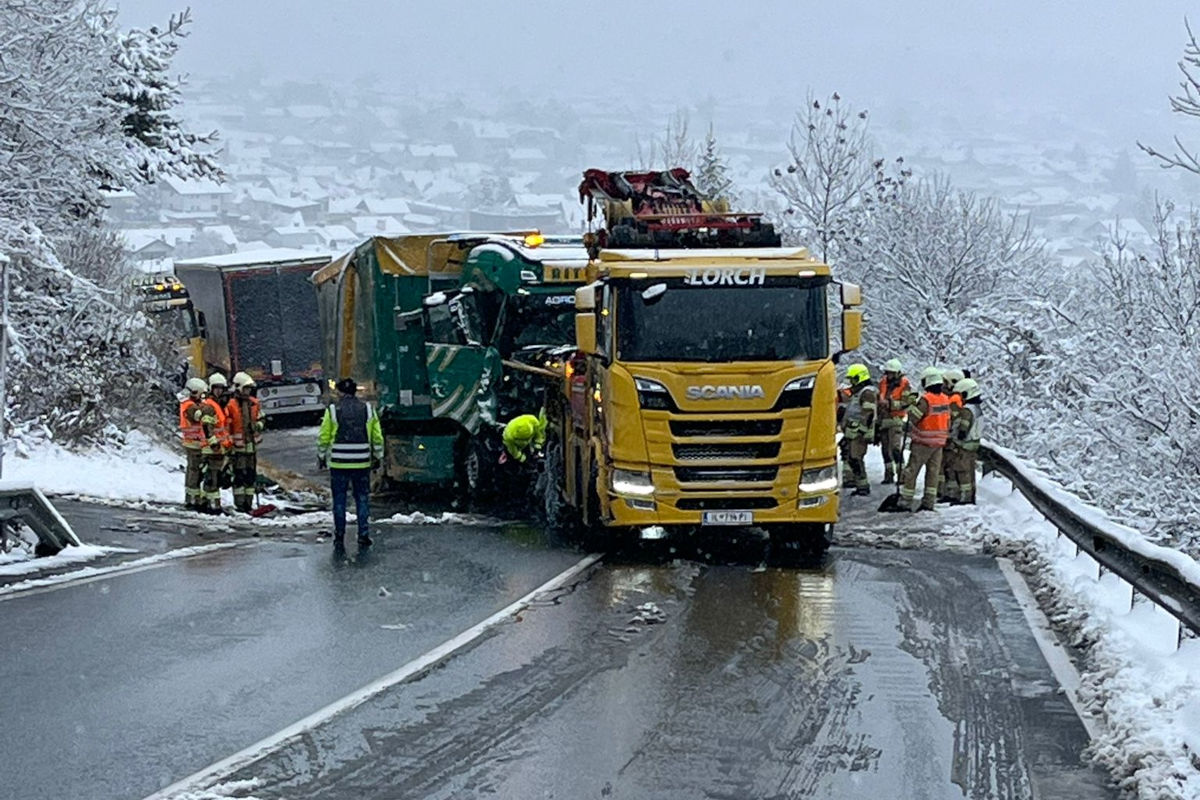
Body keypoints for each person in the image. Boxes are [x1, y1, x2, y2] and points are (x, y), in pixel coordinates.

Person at [318, 377, 384, 551]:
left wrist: (321, 455)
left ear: (340, 392)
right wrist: (378, 455)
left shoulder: (333, 410)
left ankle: (339, 535)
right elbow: (377, 436)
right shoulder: (368, 410)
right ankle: (363, 534)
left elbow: (324, 436)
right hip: (362, 462)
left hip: (339, 464)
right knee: (362, 499)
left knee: (339, 500)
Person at [896, 367, 952, 512]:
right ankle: (929, 502)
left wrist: (910, 406)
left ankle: (906, 500)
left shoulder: (926, 400)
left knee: (912, 471)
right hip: (939, 444)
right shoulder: (945, 400)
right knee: (933, 473)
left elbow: (914, 418)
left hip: (923, 443)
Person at [225, 372, 264, 513]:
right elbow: (226, 426)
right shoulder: (231, 405)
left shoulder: (254, 403)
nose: (248, 391)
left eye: (249, 389)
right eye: (245, 388)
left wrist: (257, 426)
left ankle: (249, 503)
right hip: (237, 448)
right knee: (239, 477)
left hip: (251, 447)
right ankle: (240, 504)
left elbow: (261, 419)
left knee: (250, 476)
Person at [839, 363, 877, 495]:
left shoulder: (867, 393)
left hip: (859, 434)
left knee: (856, 458)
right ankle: (859, 484)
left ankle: (863, 487)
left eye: (853, 379)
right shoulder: (858, 393)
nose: (851, 383)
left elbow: (868, 414)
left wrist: (860, 430)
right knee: (851, 457)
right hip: (853, 432)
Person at [876, 358, 914, 484]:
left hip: (896, 419)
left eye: (891, 373)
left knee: (895, 449)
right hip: (883, 419)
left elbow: (906, 403)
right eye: (887, 373)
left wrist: (890, 404)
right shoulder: (882, 383)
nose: (889, 375)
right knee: (885, 450)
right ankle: (888, 475)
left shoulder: (904, 384)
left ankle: (901, 475)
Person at [200, 373, 232, 513]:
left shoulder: (219, 405)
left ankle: (206, 502)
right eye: (216, 388)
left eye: (221, 388)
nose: (219, 391)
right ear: (211, 389)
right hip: (211, 448)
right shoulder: (210, 406)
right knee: (213, 477)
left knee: (213, 476)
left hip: (219, 448)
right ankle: (213, 505)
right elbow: (207, 427)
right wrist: (213, 443)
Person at [949, 377, 982, 504]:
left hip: (965, 446)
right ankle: (971, 495)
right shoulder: (977, 408)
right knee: (970, 471)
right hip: (974, 444)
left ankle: (965, 497)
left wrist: (958, 435)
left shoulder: (967, 409)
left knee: (963, 471)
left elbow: (964, 426)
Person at [179, 377, 209, 511]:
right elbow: (198, 416)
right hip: (194, 444)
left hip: (193, 443)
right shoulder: (189, 405)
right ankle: (193, 499)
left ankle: (194, 498)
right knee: (195, 472)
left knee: (194, 471)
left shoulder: (186, 403)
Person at [938, 367, 966, 502]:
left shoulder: (954, 399)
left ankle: (950, 493)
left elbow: (952, 419)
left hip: (950, 439)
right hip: (948, 437)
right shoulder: (956, 397)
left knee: (949, 467)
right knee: (945, 466)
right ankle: (945, 491)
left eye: (945, 382)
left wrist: (949, 436)